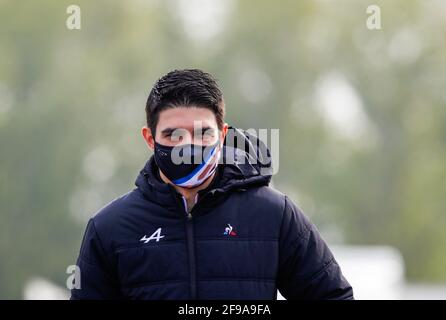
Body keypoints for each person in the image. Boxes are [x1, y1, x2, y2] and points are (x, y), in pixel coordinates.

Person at [70, 69, 353, 300]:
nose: (189, 146)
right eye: (174, 135)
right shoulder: (110, 227)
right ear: (149, 138)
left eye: (203, 133)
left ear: (223, 132)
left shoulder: (273, 214)